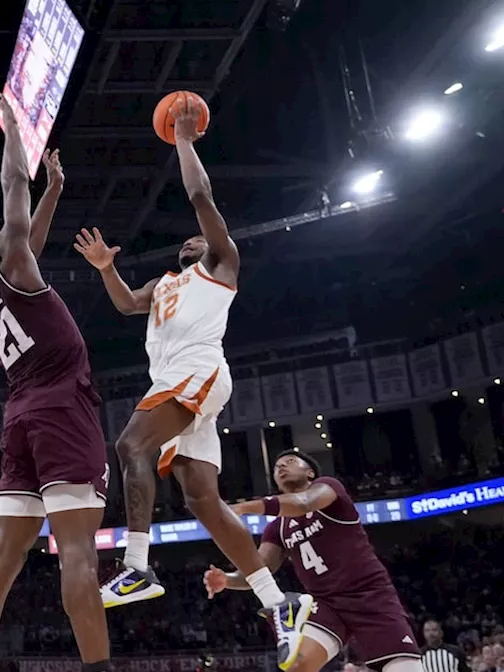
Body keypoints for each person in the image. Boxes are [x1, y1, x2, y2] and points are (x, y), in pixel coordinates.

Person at [74, 97, 312, 670]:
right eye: (184, 245)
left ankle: (136, 566)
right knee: (202, 501)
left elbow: (201, 198)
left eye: (196, 242)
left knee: (131, 444)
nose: (189, 243)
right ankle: (279, 602)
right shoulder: (163, 284)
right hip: (178, 380)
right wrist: (107, 268)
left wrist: (183, 141)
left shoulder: (221, 264)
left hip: (198, 371)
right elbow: (130, 305)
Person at [0, 95, 111, 672]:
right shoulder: (11, 259)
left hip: (18, 417)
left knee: (6, 551)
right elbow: (13, 178)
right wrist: (14, 129)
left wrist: (55, 191)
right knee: (76, 551)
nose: (8, 229)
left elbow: (29, 247)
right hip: (61, 408)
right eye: (1, 231)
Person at [204, 451, 424, 672]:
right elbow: (261, 570)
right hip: (327, 603)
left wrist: (244, 507)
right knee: (296, 666)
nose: (281, 468)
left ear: (310, 472)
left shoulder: (328, 487)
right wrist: (227, 580)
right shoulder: (277, 527)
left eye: (289, 462)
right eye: (276, 467)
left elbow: (304, 503)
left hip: (369, 595)